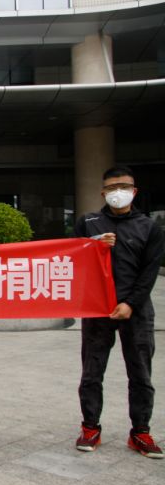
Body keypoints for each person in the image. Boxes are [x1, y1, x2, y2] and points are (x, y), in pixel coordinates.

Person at [74, 165, 165, 458]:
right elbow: (72, 258)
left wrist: (131, 303)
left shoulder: (149, 227)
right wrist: (92, 246)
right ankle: (90, 427)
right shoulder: (89, 223)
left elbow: (150, 272)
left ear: (134, 191)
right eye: (112, 188)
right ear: (103, 192)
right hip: (97, 310)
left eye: (123, 187)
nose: (118, 192)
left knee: (140, 374)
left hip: (135, 311)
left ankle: (140, 432)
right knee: (92, 372)